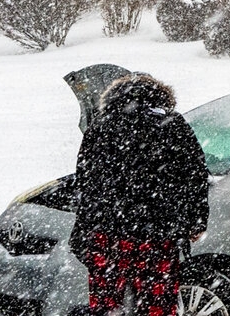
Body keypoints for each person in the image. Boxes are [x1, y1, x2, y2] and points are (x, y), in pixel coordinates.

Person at [71, 73, 210, 316]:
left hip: (107, 235)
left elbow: (84, 180)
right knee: (157, 304)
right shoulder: (171, 124)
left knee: (108, 305)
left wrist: (85, 225)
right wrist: (195, 222)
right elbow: (195, 176)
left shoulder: (100, 126)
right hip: (156, 235)